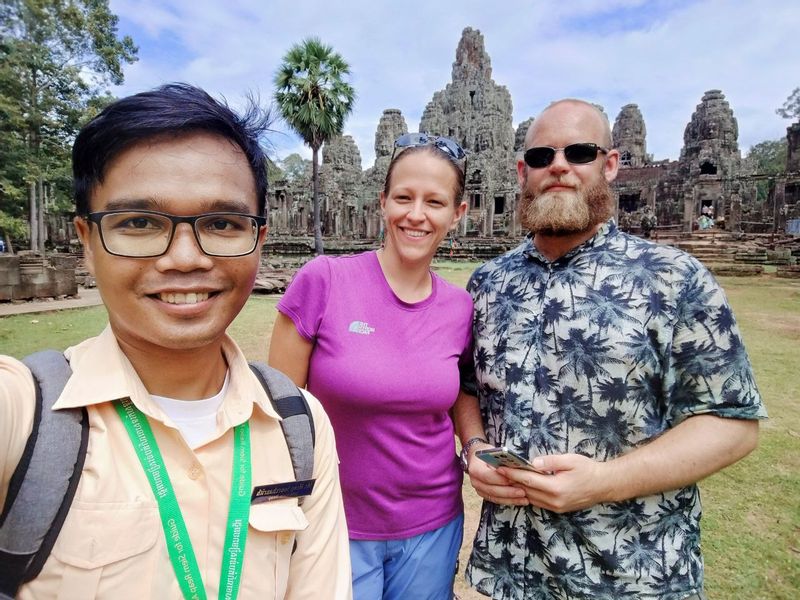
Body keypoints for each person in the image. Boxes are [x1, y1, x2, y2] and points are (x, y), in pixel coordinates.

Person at [0, 83, 351, 599]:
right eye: (139, 222)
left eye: (222, 222)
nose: (185, 258)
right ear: (86, 241)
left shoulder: (301, 427)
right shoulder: (22, 415)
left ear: (259, 239)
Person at [455, 99, 766, 599]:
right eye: (541, 157)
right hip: (512, 569)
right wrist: (473, 448)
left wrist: (604, 482)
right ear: (522, 171)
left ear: (611, 165)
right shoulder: (489, 283)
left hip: (635, 574)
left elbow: (731, 424)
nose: (558, 167)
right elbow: (466, 386)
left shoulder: (673, 277)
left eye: (579, 152)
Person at [269, 133, 472, 599]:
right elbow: (280, 410)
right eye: (404, 197)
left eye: (435, 202)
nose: (416, 214)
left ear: (457, 213)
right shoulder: (324, 280)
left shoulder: (461, 307)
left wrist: (476, 444)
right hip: (337, 518)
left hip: (431, 521)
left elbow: (457, 390)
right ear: (383, 203)